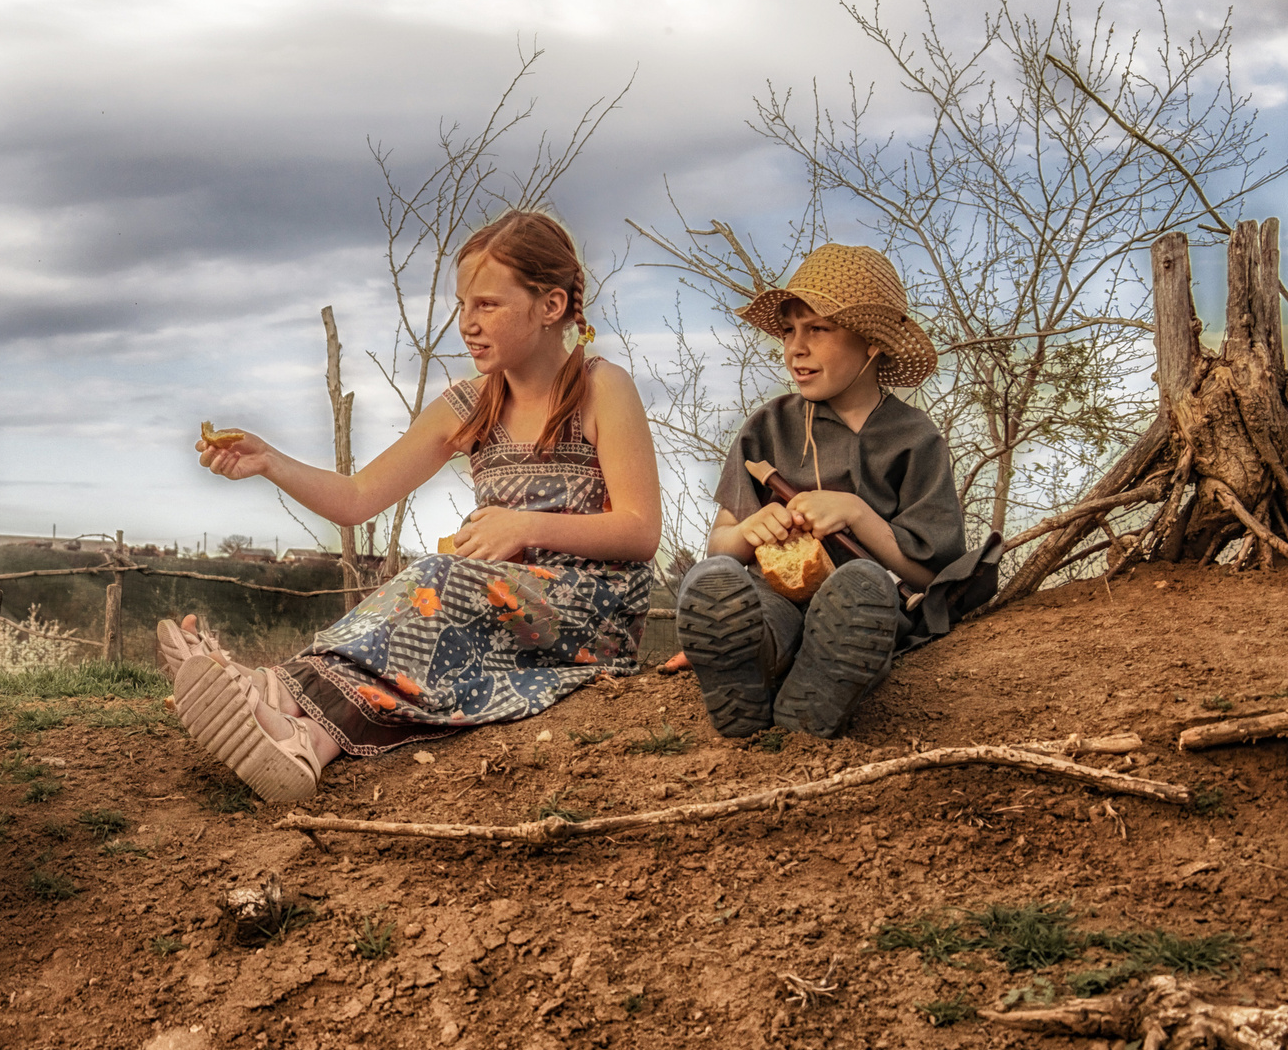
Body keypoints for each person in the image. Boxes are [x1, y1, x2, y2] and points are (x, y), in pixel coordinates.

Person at [166, 209, 661, 803]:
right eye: (462, 305)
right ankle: (302, 740)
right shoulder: (468, 404)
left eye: (488, 305)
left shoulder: (604, 388)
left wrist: (523, 525)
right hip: (501, 605)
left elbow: (640, 530)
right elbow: (357, 499)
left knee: (434, 578)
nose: (467, 325)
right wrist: (270, 460)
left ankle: (275, 690)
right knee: (427, 635)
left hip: (592, 616)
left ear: (551, 305)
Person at [675, 242, 1000, 739]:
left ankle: (824, 683)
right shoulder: (768, 427)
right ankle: (750, 669)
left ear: (871, 343)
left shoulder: (915, 438)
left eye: (818, 329)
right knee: (729, 585)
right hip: (775, 592)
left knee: (861, 594)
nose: (795, 348)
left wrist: (857, 514)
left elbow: (930, 571)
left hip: (865, 601)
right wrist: (749, 530)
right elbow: (718, 545)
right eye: (789, 330)